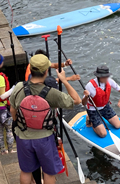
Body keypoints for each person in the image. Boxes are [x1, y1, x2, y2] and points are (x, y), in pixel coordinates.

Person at [10, 54, 82, 184]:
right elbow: (76, 100)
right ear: (46, 72)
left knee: (26, 171)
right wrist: (64, 80)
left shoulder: (19, 87)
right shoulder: (52, 93)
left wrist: (19, 124)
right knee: (49, 172)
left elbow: (12, 110)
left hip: (23, 136)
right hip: (44, 139)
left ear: (30, 69)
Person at [82, 65, 120, 138]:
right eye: (104, 77)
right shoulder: (90, 86)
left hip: (105, 106)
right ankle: (90, 119)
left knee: (118, 125)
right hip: (93, 110)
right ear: (99, 76)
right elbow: (83, 103)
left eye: (107, 76)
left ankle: (100, 119)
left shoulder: (109, 81)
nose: (106, 79)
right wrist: (86, 96)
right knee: (103, 134)